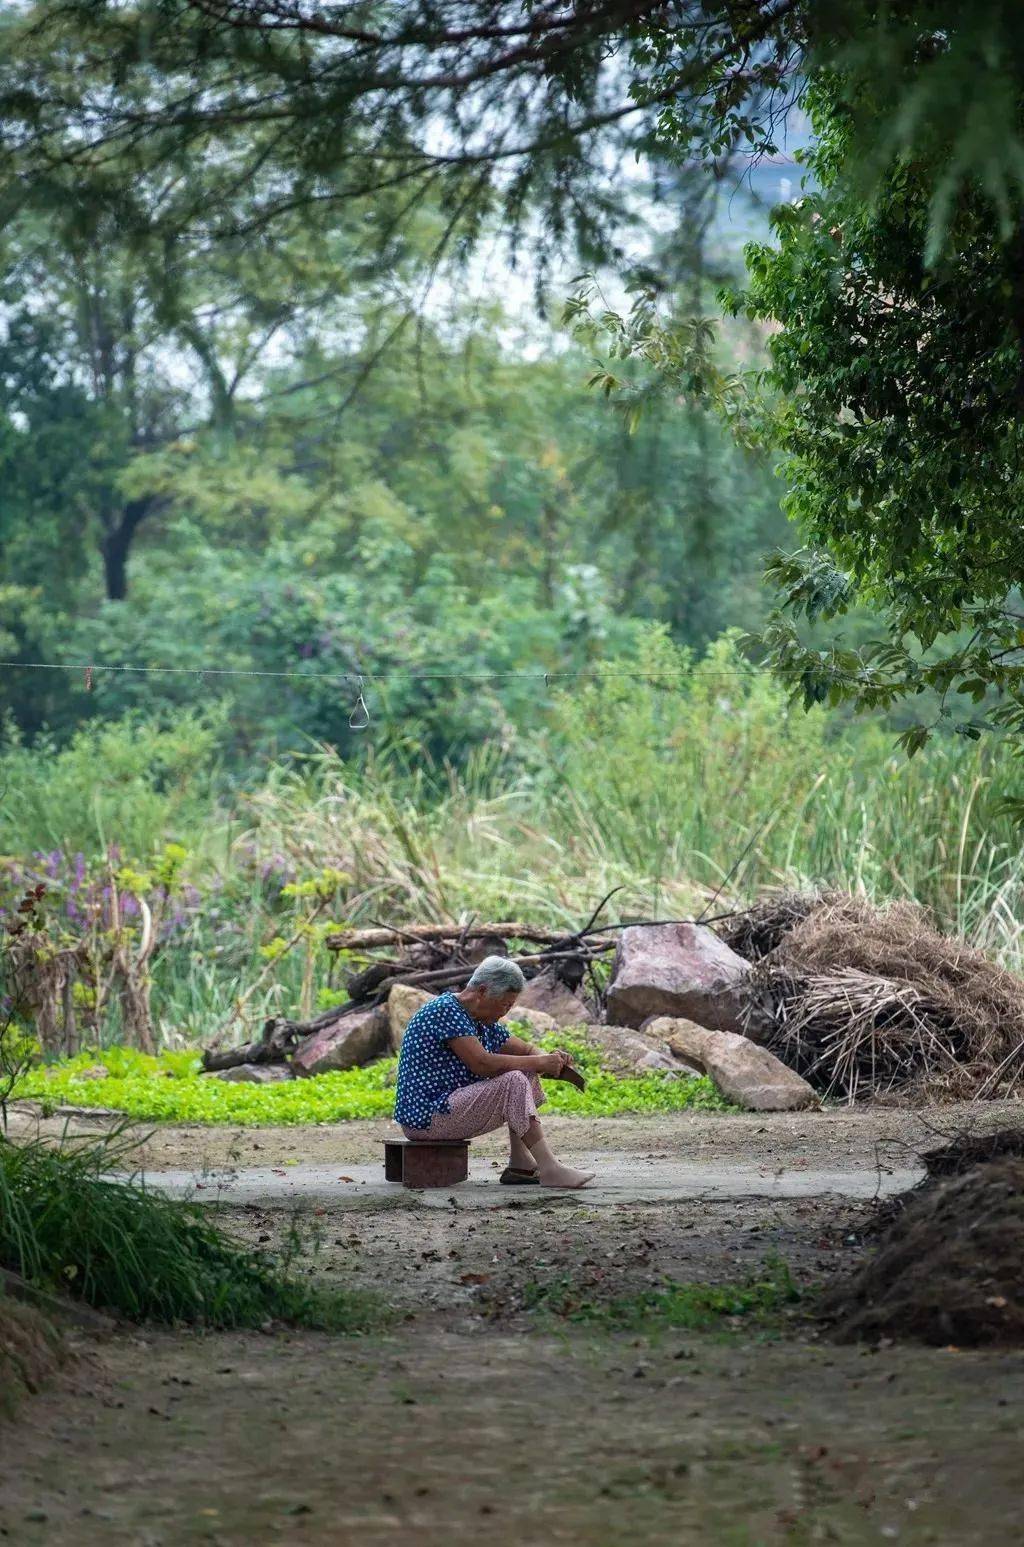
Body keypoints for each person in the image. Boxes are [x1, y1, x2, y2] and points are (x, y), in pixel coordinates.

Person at [393, 955, 595, 1189]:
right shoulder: (445, 1011)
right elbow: (482, 1064)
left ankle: (521, 1163)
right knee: (513, 1080)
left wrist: (550, 1059)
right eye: (505, 1005)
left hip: (449, 1107)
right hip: (428, 1117)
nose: (505, 1013)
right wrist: (539, 1062)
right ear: (482, 991)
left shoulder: (479, 1020)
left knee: (524, 1070)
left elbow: (527, 1051)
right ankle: (550, 1168)